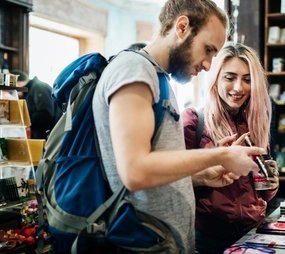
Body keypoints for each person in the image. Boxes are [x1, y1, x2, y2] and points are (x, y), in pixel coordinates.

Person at [92, 1, 265, 253]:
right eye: (207, 50)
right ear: (182, 27)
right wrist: (220, 155)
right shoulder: (134, 69)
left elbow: (156, 170)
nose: (208, 65)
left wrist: (203, 174)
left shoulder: (156, 77)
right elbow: (135, 171)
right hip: (142, 242)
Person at [181, 43, 279, 253]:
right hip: (206, 240)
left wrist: (271, 184)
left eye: (247, 79)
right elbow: (171, 183)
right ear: (216, 78)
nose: (238, 88)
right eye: (230, 77)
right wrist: (211, 165)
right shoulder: (193, 121)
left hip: (252, 235)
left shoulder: (256, 124)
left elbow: (261, 193)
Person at [10, 69, 61, 140]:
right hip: (43, 134)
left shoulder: (38, 87)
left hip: (50, 135)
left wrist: (23, 120)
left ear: (17, 83)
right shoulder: (30, 90)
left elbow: (45, 113)